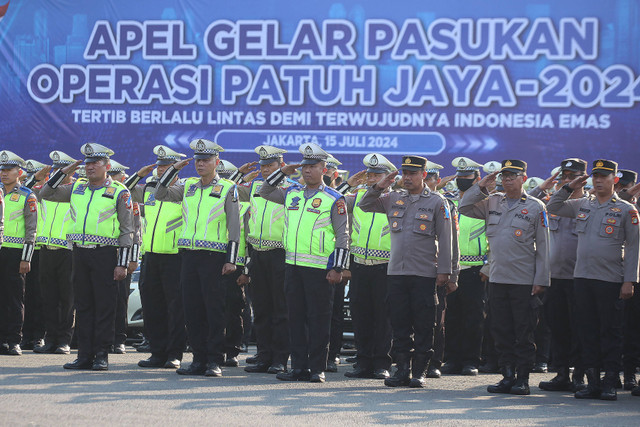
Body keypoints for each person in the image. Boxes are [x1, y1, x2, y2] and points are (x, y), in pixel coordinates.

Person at [547, 159, 640, 400]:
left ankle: (610, 381)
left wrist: (629, 280)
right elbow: (554, 206)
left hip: (610, 280)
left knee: (610, 332)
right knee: (586, 331)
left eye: (604, 177)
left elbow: (633, 248)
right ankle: (592, 381)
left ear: (614, 180)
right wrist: (569, 186)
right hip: (582, 278)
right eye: (595, 176)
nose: (598, 181)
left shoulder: (626, 210)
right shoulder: (582, 205)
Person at [359, 155, 453, 388]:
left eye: (412, 173)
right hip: (397, 273)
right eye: (405, 173)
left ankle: (419, 371)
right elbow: (365, 204)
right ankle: (402, 370)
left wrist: (446, 271)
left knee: (423, 324)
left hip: (424, 273)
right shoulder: (393, 198)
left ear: (423, 174)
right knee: (399, 324)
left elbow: (446, 237)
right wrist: (380, 185)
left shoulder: (437, 201)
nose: (407, 177)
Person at [260, 142, 349, 383]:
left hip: (320, 268)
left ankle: (317, 368)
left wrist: (337, 267)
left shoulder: (334, 198)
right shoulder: (292, 192)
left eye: (313, 166)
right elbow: (264, 192)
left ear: (324, 169)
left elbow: (343, 235)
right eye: (305, 166)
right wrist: (283, 172)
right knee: (295, 318)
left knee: (319, 319)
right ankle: (298, 367)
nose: (307, 170)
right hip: (293, 265)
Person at [459, 159, 550, 396]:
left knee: (523, 331)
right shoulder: (492, 201)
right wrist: (481, 185)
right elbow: (464, 207)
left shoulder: (535, 206)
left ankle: (522, 378)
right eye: (504, 176)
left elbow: (543, 247)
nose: (507, 180)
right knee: (501, 330)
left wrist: (541, 280)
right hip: (497, 278)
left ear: (523, 177)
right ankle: (507, 375)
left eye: (513, 175)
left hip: (523, 280)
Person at [40, 143, 134, 370]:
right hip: (79, 253)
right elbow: (46, 192)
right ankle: (84, 355)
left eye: (95, 163)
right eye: (87, 163)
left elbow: (127, 230)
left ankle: (101, 355)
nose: (90, 167)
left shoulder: (120, 191)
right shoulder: (77, 188)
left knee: (104, 306)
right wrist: (64, 172)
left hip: (105, 254)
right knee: (83, 305)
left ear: (107, 166)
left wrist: (122, 263)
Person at [155, 138, 239, 377]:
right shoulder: (188, 185)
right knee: (192, 310)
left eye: (206, 160)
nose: (200, 164)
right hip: (188, 256)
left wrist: (231, 259)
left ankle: (214, 360)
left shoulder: (227, 188)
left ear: (216, 162)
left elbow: (234, 226)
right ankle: (198, 360)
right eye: (198, 160)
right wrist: (173, 169)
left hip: (214, 257)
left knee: (213, 310)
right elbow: (160, 193)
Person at [125, 145, 187, 370]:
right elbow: (124, 190)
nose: (161, 170)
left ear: (176, 169)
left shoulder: (185, 190)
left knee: (174, 308)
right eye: (159, 166)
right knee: (152, 307)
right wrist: (139, 175)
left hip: (174, 256)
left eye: (166, 166)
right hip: (150, 255)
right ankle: (157, 352)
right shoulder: (149, 188)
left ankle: (174, 353)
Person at [529, 159, 588, 392]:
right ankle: (561, 373)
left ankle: (580, 375)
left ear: (583, 178)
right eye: (564, 176)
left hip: (580, 278)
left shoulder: (590, 204)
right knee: (558, 327)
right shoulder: (550, 205)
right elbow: (529, 202)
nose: (567, 180)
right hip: (554, 277)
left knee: (581, 328)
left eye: (573, 176)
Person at [234, 145, 292, 375]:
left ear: (282, 166)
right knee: (262, 308)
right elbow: (230, 191)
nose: (266, 170)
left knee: (281, 309)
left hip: (280, 254)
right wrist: (240, 174)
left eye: (270, 165)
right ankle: (264, 355)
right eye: (263, 166)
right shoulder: (255, 186)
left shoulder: (292, 189)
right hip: (257, 252)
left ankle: (280, 358)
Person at [340, 153, 395, 380]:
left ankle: (382, 363)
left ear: (388, 177)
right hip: (359, 264)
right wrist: (348, 184)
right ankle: (363, 362)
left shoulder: (396, 198)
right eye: (370, 174)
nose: (372, 178)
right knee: (361, 315)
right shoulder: (359, 196)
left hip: (385, 266)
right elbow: (333, 201)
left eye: (377, 174)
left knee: (383, 318)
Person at [26, 151, 77, 355]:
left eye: (62, 170)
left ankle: (64, 340)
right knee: (48, 297)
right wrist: (35, 178)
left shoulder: (77, 191)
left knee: (67, 299)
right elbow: (24, 191)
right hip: (46, 249)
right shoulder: (45, 191)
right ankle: (51, 338)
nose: (57, 173)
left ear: (70, 172)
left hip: (67, 251)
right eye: (55, 169)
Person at [441, 157, 488, 377]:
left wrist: (488, 264)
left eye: (466, 178)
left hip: (476, 269)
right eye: (459, 178)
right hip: (452, 269)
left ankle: (471, 360)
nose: (461, 181)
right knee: (451, 317)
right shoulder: (449, 202)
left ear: (477, 179)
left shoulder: (486, 203)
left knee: (474, 318)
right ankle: (452, 359)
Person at [424, 160, 460, 379]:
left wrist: (452, 273)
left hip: (435, 269)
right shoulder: (405, 200)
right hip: (411, 268)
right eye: (424, 177)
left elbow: (451, 241)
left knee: (436, 319)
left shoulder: (447, 203)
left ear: (437, 180)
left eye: (429, 178)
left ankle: (434, 362)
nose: (426, 182)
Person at [0, 151, 38, 356]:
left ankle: (14, 340)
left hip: (15, 254)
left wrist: (26, 257)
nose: (4, 174)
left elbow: (31, 230)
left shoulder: (26, 195)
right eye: (2, 170)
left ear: (19, 172)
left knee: (14, 298)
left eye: (8, 170)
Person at [106, 160, 140, 354]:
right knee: (104, 299)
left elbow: (136, 232)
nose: (122, 180)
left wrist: (132, 259)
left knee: (120, 300)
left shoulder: (127, 198)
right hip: (106, 253)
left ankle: (119, 338)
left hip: (123, 256)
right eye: (119, 176)